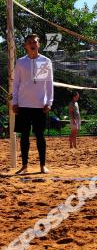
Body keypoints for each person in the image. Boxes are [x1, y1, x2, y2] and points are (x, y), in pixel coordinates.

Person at [12, 34, 54, 174]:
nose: (32, 44)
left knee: (40, 136)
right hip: (23, 105)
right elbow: (16, 83)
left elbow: (49, 83)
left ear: (39, 44)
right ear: (25, 46)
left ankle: (42, 165)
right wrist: (15, 101)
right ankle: (24, 166)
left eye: (34, 41)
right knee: (24, 136)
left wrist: (49, 102)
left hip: (40, 105)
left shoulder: (45, 61)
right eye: (29, 42)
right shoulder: (20, 62)